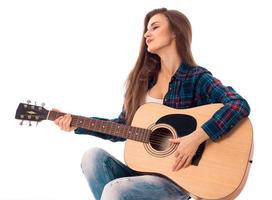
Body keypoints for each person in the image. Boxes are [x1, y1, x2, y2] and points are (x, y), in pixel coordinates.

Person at [54, 8, 250, 200]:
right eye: (146, 30)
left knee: (115, 191)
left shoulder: (196, 77)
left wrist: (196, 138)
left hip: (178, 179)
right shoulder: (142, 82)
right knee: (92, 157)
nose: (147, 34)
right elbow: (124, 127)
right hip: (142, 173)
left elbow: (238, 105)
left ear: (175, 32)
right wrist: (77, 123)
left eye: (154, 27)